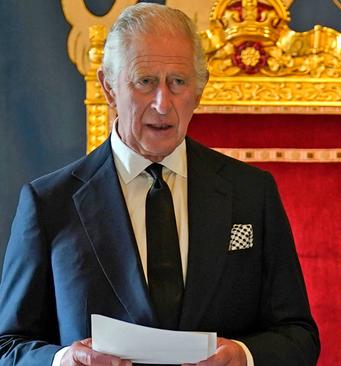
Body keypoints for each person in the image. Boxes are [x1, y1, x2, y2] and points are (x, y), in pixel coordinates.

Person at [0, 3, 319, 366]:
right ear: (108, 87)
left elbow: (298, 336)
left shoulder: (251, 192)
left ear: (199, 90)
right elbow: (8, 346)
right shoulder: (50, 204)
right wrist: (63, 361)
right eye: (145, 81)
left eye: (178, 82)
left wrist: (244, 357)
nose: (162, 103)